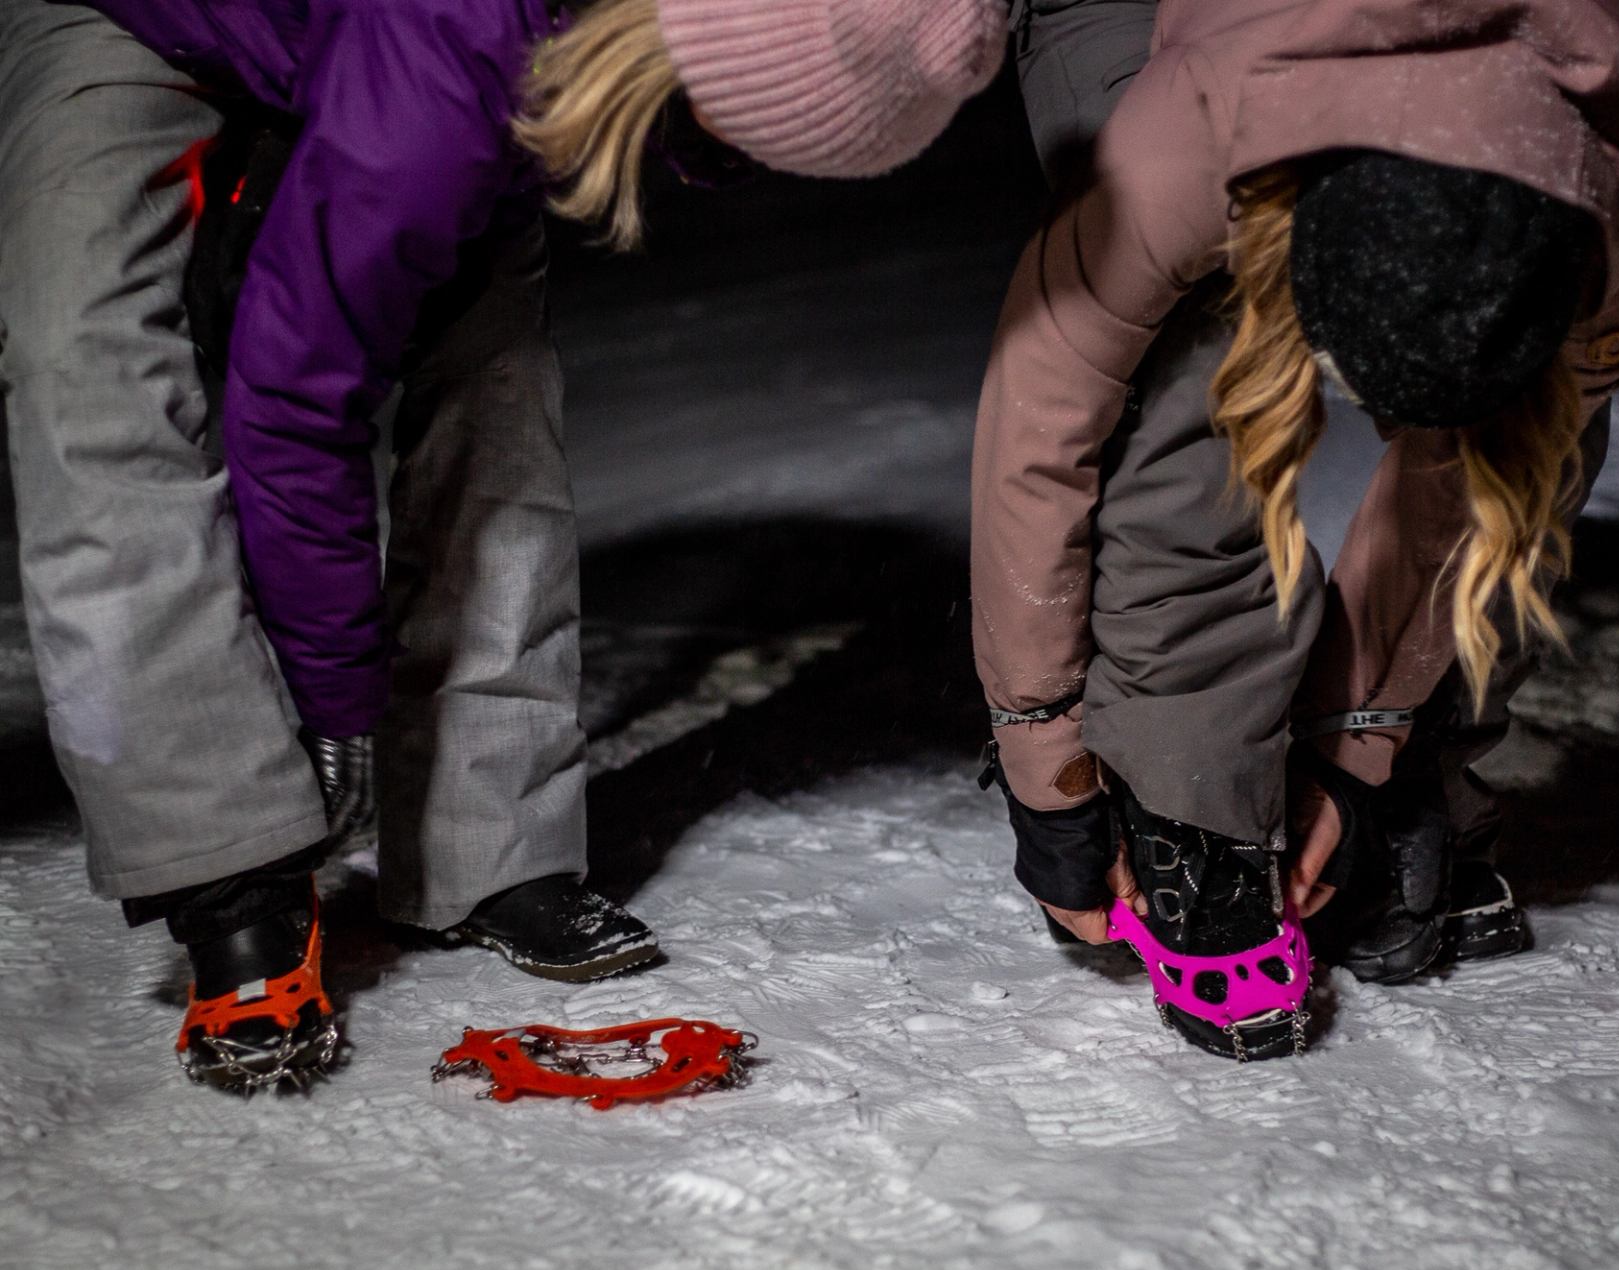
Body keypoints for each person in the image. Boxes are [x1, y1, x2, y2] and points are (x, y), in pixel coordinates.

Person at [0, 0, 1003, 1090]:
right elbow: (289, 408)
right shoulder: (452, 56)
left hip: (409, 52)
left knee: (493, 375)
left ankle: (489, 838)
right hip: (125, 14)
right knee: (84, 362)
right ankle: (230, 861)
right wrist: (331, 703)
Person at [974, 0, 1619, 1059]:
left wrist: (1365, 746)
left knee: (1531, 444)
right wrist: (1046, 762)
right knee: (1188, 375)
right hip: (1177, 41)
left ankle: (1426, 770)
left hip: (1456, 133)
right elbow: (1040, 421)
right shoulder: (1190, 137)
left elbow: (1477, 486)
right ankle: (1196, 810)